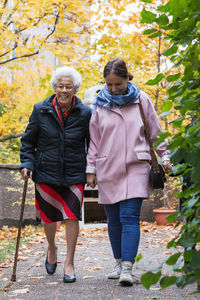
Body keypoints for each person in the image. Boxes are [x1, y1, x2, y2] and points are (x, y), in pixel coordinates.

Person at [86, 58, 172, 286]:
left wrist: (165, 157)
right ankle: (117, 262)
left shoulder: (141, 100)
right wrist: (91, 168)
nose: (113, 89)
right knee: (113, 220)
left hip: (136, 164)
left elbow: (156, 131)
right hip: (108, 167)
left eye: (118, 84)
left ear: (127, 78)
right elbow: (94, 141)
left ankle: (127, 267)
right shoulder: (100, 104)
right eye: (109, 84)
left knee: (129, 217)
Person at [20, 66, 91, 283]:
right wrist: (27, 164)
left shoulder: (86, 113)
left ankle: (69, 262)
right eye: (60, 86)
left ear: (75, 89)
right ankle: (51, 247)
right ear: (54, 87)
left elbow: (94, 144)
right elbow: (28, 142)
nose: (64, 90)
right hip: (46, 172)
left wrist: (92, 170)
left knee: (72, 216)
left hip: (74, 173)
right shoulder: (40, 110)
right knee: (49, 218)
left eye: (68, 87)